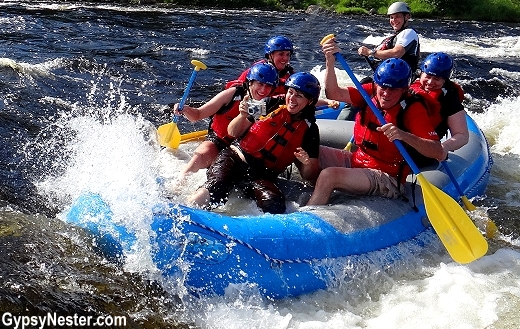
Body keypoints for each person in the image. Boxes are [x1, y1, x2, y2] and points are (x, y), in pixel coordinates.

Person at [306, 39, 443, 206]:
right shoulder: (371, 91)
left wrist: (404, 135)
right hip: (358, 160)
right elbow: (334, 93)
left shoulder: (412, 109)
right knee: (306, 150)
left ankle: (310, 213)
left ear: (404, 89)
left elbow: (438, 152)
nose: (385, 94)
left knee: (329, 175)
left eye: (393, 89)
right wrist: (330, 60)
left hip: (387, 176)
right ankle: (320, 192)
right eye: (382, 87)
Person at [187, 72, 321, 214]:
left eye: (299, 96)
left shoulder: (310, 130)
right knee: (217, 187)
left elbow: (310, 176)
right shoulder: (269, 104)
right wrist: (242, 116)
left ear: (310, 101)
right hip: (235, 158)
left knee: (274, 204)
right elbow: (232, 132)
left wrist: (306, 162)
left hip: (261, 175)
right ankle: (186, 208)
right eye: (290, 92)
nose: (292, 99)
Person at [171, 62, 282, 180]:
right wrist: (185, 110)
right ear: (250, 82)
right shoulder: (232, 94)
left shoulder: (267, 104)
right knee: (198, 159)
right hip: (219, 142)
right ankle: (178, 184)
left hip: (243, 151)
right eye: (260, 84)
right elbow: (198, 115)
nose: (264, 90)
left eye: (268, 86)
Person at [409, 52, 469, 162]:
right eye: (428, 76)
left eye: (437, 79)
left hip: (425, 149)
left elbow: (462, 136)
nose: (430, 82)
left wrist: (444, 147)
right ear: (421, 73)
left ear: (444, 80)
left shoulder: (449, 98)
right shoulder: (407, 83)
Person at [358, 2, 420, 75]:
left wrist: (370, 52)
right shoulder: (396, 36)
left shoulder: (409, 32)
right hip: (389, 75)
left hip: (401, 78)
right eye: (391, 17)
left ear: (406, 17)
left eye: (397, 16)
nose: (394, 20)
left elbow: (397, 53)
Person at [226, 35, 295, 96]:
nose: (285, 58)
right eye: (281, 54)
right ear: (270, 55)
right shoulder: (255, 71)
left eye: (288, 54)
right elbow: (233, 88)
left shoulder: (289, 76)